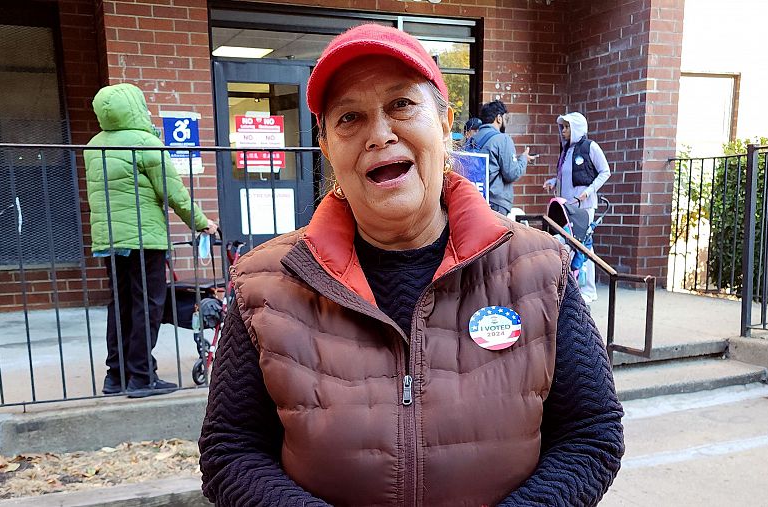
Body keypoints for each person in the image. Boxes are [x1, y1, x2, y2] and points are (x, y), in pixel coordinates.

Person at [199, 24, 622, 506]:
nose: (379, 134)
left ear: (444, 123)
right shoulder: (264, 284)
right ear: (326, 148)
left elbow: (592, 434)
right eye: (349, 117)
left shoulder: (539, 267)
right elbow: (229, 452)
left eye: (401, 105)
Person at [84, 83, 217, 398]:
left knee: (120, 305)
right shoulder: (146, 143)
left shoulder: (94, 145)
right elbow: (174, 193)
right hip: (145, 239)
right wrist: (202, 223)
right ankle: (142, 377)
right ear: (136, 108)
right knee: (148, 305)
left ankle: (115, 377)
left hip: (109, 240)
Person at [544, 112, 612, 304]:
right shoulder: (566, 150)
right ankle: (572, 286)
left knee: (584, 245)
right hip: (566, 206)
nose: (563, 130)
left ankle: (589, 289)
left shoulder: (590, 147)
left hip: (583, 207)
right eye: (562, 127)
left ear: (577, 128)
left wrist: (589, 191)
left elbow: (605, 171)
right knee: (569, 245)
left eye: (567, 127)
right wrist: (553, 181)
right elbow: (566, 176)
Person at [476, 100, 538, 215]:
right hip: (495, 203)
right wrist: (523, 159)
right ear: (499, 118)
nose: (506, 122)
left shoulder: (472, 139)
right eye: (506, 118)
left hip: (474, 200)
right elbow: (512, 173)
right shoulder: (502, 139)